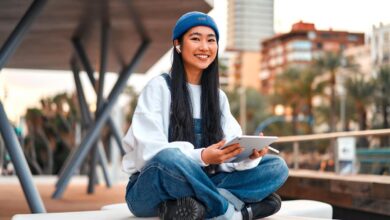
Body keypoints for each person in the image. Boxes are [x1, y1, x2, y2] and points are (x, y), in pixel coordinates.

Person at [122, 11, 289, 220]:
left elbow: (229, 150)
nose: (204, 47)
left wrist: (248, 155)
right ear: (178, 45)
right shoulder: (159, 87)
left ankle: (187, 207)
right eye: (195, 39)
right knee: (169, 158)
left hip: (203, 181)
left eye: (211, 40)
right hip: (152, 188)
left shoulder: (218, 97)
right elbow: (150, 154)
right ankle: (232, 213)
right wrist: (202, 157)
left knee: (275, 167)